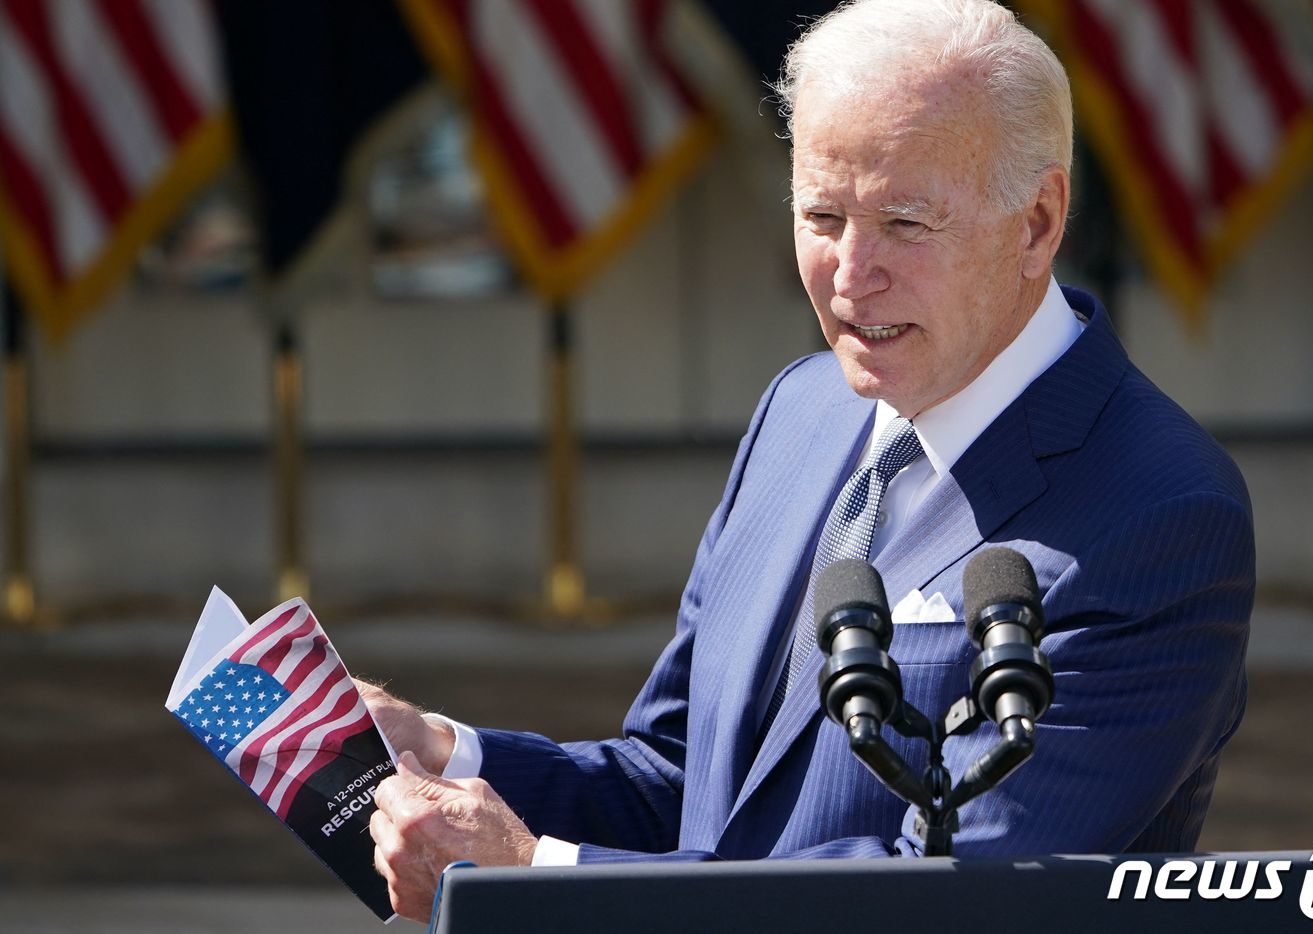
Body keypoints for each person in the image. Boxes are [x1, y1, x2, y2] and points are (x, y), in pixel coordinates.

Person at [363, 0, 1255, 920]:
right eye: (822, 214)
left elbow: (953, 897)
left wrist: (540, 875)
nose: (850, 269)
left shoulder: (1161, 510)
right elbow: (685, 789)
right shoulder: (803, 409)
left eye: (905, 223)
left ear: (1037, 222)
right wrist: (445, 754)